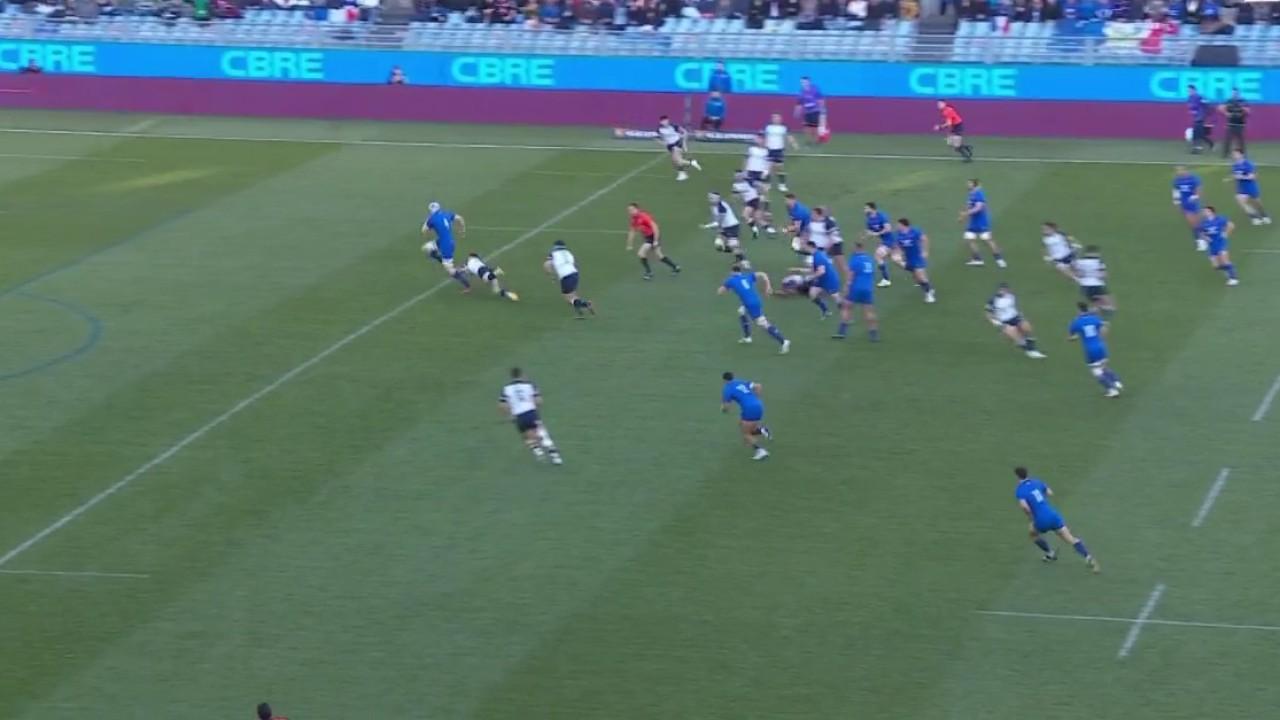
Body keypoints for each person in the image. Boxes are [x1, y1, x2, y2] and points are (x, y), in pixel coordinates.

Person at [1013, 466, 1100, 573]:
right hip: (1052, 515)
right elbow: (1050, 492)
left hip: (1040, 520)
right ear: (1027, 474)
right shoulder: (1037, 482)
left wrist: (1031, 518)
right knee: (1070, 538)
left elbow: (1024, 507)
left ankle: (1050, 553)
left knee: (1033, 534)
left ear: (1017, 476)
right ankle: (1088, 556)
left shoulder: (1020, 490)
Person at [718, 263, 790, 353]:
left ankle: (783, 341)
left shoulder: (730, 280)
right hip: (755, 300)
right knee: (741, 311)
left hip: (750, 304)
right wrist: (768, 286)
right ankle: (747, 337)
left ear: (732, 272)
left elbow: (720, 292)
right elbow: (763, 274)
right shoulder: (748, 277)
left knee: (763, 323)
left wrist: (726, 287)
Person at [499, 367, 563, 464]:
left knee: (526, 435)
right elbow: (539, 401)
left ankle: (537, 450)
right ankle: (555, 456)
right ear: (521, 375)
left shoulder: (506, 389)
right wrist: (536, 407)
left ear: (511, 377)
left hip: (519, 416)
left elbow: (502, 405)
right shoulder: (529, 385)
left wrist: (509, 415)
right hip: (531, 413)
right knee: (542, 433)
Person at [1068, 302, 1123, 397]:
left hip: (1090, 350)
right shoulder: (1095, 318)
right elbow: (1104, 326)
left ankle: (1112, 390)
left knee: (1096, 371)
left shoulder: (1076, 322)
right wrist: (1102, 338)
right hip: (1100, 346)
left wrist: (1072, 338)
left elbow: (1072, 336)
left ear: (1078, 310)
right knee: (1104, 367)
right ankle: (1116, 381)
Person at [720, 371, 773, 460]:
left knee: (746, 434)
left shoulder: (727, 389)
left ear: (724, 380)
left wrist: (723, 409)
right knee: (741, 424)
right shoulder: (740, 382)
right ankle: (762, 430)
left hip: (749, 409)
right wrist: (756, 399)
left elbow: (726, 408)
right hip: (758, 405)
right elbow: (758, 386)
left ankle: (760, 451)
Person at [985, 282, 1045, 359]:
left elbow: (1012, 308)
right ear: (998, 290)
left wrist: (1020, 317)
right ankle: (1030, 351)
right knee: (1015, 334)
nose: (1004, 291)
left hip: (1015, 317)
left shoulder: (1011, 296)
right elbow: (988, 313)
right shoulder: (993, 300)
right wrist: (997, 323)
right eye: (1002, 290)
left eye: (1005, 289)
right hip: (1003, 321)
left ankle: (1030, 347)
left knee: (1027, 327)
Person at [834, 241, 880, 341]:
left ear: (857, 248)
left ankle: (842, 332)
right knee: (869, 311)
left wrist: (846, 287)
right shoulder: (869, 260)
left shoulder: (855, 260)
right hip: (867, 288)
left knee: (846, 307)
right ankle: (873, 334)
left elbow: (851, 276)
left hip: (855, 288)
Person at [421, 201, 472, 291]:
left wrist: (428, 223)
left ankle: (466, 284)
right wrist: (462, 230)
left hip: (446, 245)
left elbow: (424, 230)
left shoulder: (431, 219)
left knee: (450, 270)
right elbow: (460, 218)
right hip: (445, 241)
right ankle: (438, 258)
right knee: (426, 248)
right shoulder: (447, 214)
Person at [626, 202, 681, 280]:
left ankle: (649, 273)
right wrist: (629, 244)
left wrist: (655, 240)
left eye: (632, 209)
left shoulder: (644, 216)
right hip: (648, 237)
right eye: (629, 210)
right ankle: (675, 267)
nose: (630, 212)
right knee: (659, 255)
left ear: (637, 209)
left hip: (653, 236)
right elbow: (632, 231)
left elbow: (655, 227)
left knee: (641, 253)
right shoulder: (634, 219)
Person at [960, 179, 1006, 267]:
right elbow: (969, 207)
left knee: (987, 240)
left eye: (969, 183)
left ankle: (999, 259)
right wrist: (962, 217)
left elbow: (979, 208)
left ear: (974, 185)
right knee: (969, 239)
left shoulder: (979, 194)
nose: (967, 185)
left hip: (982, 222)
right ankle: (977, 259)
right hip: (973, 222)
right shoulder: (971, 195)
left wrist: (966, 213)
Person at [543, 240, 596, 316]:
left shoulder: (553, 253)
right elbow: (575, 264)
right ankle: (579, 312)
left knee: (568, 297)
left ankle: (586, 304)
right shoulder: (568, 253)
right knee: (572, 294)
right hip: (575, 274)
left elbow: (547, 264)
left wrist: (551, 275)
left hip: (566, 276)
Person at [895, 218, 936, 303]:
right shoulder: (899, 235)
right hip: (909, 259)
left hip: (917, 258)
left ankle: (929, 295)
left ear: (903, 225)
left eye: (898, 225)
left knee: (920, 276)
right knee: (917, 279)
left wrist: (925, 251)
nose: (897, 226)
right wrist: (899, 255)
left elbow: (925, 239)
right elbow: (899, 246)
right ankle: (929, 288)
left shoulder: (915, 231)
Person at [1197, 206, 1239, 286]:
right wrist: (1206, 238)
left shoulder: (1220, 219)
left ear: (1211, 212)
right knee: (1216, 266)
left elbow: (1231, 225)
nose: (1204, 213)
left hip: (1220, 242)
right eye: (1203, 211)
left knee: (1224, 260)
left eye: (1206, 211)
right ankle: (1229, 268)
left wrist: (1226, 234)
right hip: (1211, 245)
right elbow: (1201, 233)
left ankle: (1233, 278)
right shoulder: (1203, 223)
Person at [1227, 149, 1271, 225]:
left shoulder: (1248, 164)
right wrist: (1230, 178)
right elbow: (1235, 175)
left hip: (1251, 187)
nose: (1234, 156)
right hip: (1241, 188)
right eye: (1233, 154)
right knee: (1242, 203)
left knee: (1258, 203)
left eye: (1236, 154)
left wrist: (1241, 177)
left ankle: (1264, 215)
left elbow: (1253, 177)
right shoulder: (1234, 165)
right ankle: (1254, 217)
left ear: (1242, 155)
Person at [656, 115, 702, 181]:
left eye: (666, 121)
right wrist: (663, 143)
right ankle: (683, 174)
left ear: (668, 120)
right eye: (663, 121)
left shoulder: (674, 126)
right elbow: (657, 137)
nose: (664, 122)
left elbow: (685, 132)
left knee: (678, 160)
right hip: (670, 146)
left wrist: (684, 144)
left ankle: (692, 163)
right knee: (675, 162)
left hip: (677, 143)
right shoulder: (659, 129)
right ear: (660, 122)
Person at [803, 238, 840, 319]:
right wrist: (801, 270)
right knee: (812, 293)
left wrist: (811, 277)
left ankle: (847, 315)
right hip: (822, 280)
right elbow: (814, 270)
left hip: (830, 280)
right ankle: (826, 311)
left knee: (836, 298)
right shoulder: (816, 255)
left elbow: (821, 271)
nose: (805, 248)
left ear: (810, 247)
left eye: (806, 247)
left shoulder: (818, 256)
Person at [763, 112, 799, 192]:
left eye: (777, 117)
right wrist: (764, 147)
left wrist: (794, 144)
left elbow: (789, 136)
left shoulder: (783, 127)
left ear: (780, 118)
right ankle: (767, 185)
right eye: (774, 117)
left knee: (780, 168)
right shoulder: (768, 127)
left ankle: (782, 185)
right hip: (769, 150)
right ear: (772, 119)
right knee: (769, 168)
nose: (775, 119)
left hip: (779, 150)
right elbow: (765, 137)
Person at [1074, 245, 1114, 315]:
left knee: (1097, 305)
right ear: (1095, 253)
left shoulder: (1080, 262)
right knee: (1110, 306)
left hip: (1084, 286)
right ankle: (1086, 315)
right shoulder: (1099, 262)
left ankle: (1084, 314)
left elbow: (1078, 274)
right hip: (1097, 285)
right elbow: (1104, 275)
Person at [864, 202, 897, 287]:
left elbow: (888, 229)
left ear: (872, 209)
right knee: (897, 261)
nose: (864, 210)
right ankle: (917, 274)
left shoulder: (881, 216)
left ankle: (886, 279)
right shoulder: (868, 219)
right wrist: (866, 236)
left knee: (878, 255)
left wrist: (877, 233)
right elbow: (869, 231)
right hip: (884, 241)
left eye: (866, 208)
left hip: (890, 240)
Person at [732, 171, 773, 238]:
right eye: (736, 176)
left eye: (739, 175)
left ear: (742, 176)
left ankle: (755, 229)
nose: (738, 177)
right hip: (748, 201)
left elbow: (758, 185)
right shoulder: (735, 185)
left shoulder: (748, 180)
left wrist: (761, 193)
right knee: (758, 218)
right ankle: (770, 229)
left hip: (753, 200)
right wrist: (738, 198)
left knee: (745, 215)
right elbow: (736, 196)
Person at [705, 191, 745, 259]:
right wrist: (718, 229)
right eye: (709, 197)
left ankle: (743, 260)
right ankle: (738, 252)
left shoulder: (721, 207)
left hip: (732, 227)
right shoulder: (713, 207)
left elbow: (719, 221)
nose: (710, 199)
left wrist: (709, 226)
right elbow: (716, 219)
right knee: (718, 245)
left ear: (718, 198)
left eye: (712, 198)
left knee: (732, 245)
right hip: (725, 227)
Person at [1172, 166, 1203, 247]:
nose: (1178, 172)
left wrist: (1194, 197)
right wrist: (1176, 203)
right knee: (1192, 223)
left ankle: (1204, 236)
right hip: (1185, 204)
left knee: (1198, 222)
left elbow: (1199, 190)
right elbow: (1176, 192)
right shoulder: (1177, 180)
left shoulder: (1194, 178)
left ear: (1185, 170)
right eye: (1177, 170)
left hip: (1194, 203)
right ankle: (1199, 241)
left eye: (1179, 170)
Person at [793, 76, 825, 144]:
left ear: (809, 82)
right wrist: (797, 112)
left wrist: (822, 108)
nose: (803, 83)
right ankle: (809, 141)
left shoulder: (814, 89)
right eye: (802, 82)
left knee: (814, 127)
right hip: (807, 112)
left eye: (805, 82)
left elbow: (821, 99)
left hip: (815, 110)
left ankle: (816, 141)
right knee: (807, 127)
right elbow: (799, 103)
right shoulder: (801, 92)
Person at [1219, 88, 1248, 157]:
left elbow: (1248, 110)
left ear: (1238, 93)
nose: (1234, 94)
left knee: (1240, 140)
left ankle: (1243, 154)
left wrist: (1243, 110)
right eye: (1233, 93)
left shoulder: (1242, 101)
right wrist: (1226, 113)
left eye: (1236, 93)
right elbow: (1220, 107)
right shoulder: (1229, 101)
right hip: (1230, 123)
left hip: (1240, 124)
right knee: (1227, 139)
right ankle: (1225, 154)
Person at [1187, 84, 1213, 154]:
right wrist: (1191, 111)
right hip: (1195, 117)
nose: (1189, 91)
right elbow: (1190, 107)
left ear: (1194, 90)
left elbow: (1207, 103)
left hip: (1200, 117)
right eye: (1188, 90)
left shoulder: (1199, 97)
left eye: (1190, 90)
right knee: (1199, 134)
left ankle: (1196, 149)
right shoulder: (1190, 98)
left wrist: (1206, 112)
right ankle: (1209, 143)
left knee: (1196, 134)